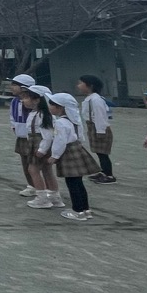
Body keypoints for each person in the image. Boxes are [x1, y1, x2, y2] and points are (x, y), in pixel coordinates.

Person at [41, 92, 99, 222]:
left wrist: (54, 156)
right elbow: (81, 136)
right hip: (77, 149)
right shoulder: (75, 121)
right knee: (78, 182)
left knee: (72, 183)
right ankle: (86, 209)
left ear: (60, 107)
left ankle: (77, 211)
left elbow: (60, 141)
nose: (49, 107)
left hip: (67, 152)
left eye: (52, 105)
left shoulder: (60, 123)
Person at [78, 75, 117, 184]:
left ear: (90, 86)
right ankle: (103, 172)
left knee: (103, 153)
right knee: (99, 152)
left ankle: (109, 175)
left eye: (81, 83)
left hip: (99, 128)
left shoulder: (96, 100)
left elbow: (101, 117)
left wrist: (100, 132)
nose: (78, 86)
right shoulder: (91, 98)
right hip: (93, 127)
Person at [7, 75, 39, 196]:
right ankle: (31, 186)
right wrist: (14, 127)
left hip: (33, 137)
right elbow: (12, 115)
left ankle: (42, 188)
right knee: (25, 163)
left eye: (15, 85)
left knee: (35, 165)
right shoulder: (14, 101)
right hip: (21, 136)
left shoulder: (33, 102)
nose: (11, 87)